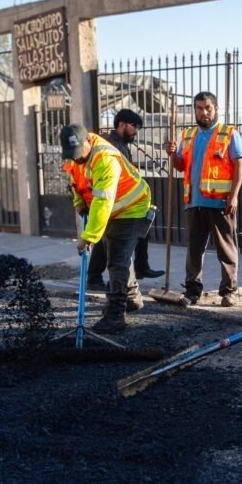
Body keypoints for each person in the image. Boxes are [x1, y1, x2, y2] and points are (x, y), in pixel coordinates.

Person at [61, 124, 153, 333]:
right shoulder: (72, 155)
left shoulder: (105, 158)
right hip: (112, 208)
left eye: (78, 153)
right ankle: (131, 298)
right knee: (116, 253)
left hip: (132, 207)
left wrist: (89, 237)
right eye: (71, 155)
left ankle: (115, 315)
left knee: (117, 260)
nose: (75, 158)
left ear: (88, 141)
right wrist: (78, 202)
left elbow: (103, 201)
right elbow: (75, 181)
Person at [166, 91, 242, 307]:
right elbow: (180, 166)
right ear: (195, 110)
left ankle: (228, 291)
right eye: (199, 108)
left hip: (221, 202)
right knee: (194, 249)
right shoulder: (187, 134)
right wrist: (172, 154)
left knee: (226, 248)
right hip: (194, 201)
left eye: (208, 108)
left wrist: (234, 196)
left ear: (216, 108)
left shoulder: (229, 133)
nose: (204, 112)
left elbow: (239, 165)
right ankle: (192, 291)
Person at [87, 109, 163, 290]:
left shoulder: (120, 143)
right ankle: (95, 277)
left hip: (125, 201)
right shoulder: (110, 144)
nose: (136, 131)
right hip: (112, 200)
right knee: (104, 240)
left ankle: (141, 267)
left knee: (140, 228)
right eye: (134, 127)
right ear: (122, 124)